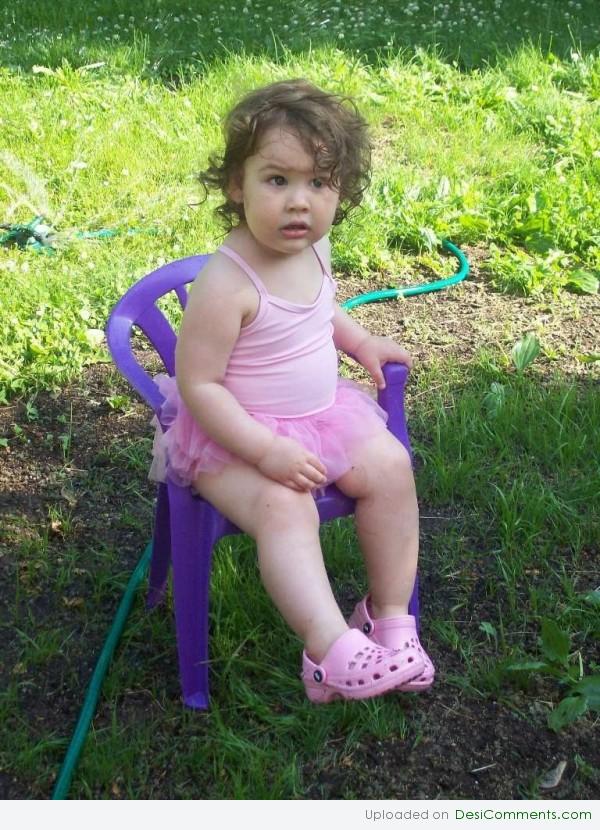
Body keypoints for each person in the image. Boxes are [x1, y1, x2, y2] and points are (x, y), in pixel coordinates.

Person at [150, 79, 435, 703]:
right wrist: (264, 451)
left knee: (391, 468)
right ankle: (328, 652)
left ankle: (387, 618)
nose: (299, 203)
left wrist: (359, 343)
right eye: (277, 180)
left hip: (320, 414)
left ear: (340, 191)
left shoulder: (314, 248)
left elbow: (318, 311)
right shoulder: (227, 283)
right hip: (233, 436)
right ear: (236, 186)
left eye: (319, 183)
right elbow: (200, 385)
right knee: (286, 508)